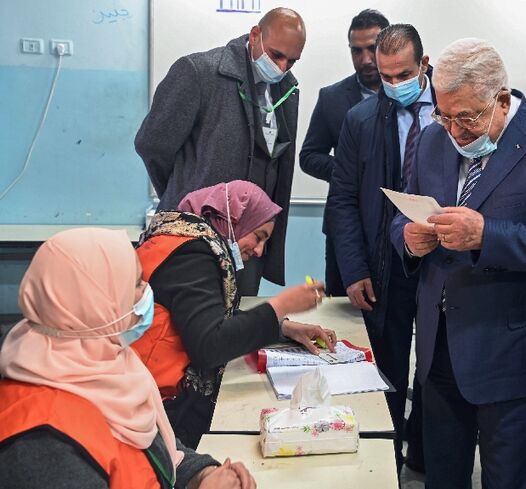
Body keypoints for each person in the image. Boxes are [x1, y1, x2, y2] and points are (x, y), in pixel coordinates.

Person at [391, 38, 526, 489]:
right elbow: (400, 216)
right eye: (446, 116)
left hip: (517, 354)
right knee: (442, 477)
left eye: (468, 117)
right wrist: (407, 239)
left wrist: (486, 236)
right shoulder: (430, 140)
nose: (457, 132)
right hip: (440, 347)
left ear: (502, 98)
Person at [0, 228, 256, 488]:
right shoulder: (43, 445)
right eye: (135, 283)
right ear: (94, 300)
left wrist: (203, 474)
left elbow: (152, 449)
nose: (147, 290)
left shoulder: (106, 364)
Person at [133, 180, 332, 448]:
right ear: (232, 218)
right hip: (159, 408)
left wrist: (283, 327)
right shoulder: (193, 253)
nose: (259, 251)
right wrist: (281, 304)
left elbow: (202, 316)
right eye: (259, 237)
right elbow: (209, 344)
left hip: (146, 391)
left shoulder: (178, 238)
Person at [135, 8, 306, 295]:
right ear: (255, 36)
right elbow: (151, 145)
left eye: (292, 61)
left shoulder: (287, 90)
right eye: (276, 56)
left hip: (249, 249)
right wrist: (186, 194)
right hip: (193, 241)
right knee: (189, 330)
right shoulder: (198, 72)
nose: (282, 67)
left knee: (240, 329)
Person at [326, 24, 433, 473]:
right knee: (385, 369)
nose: (394, 85)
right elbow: (344, 198)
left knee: (434, 369)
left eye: (403, 75)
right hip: (383, 265)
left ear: (424, 66)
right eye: (386, 77)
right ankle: (383, 459)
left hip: (441, 265)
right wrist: (353, 269)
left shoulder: (453, 108)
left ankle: (425, 454)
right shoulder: (362, 119)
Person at [299, 9, 390, 298]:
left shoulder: (415, 94)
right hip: (346, 225)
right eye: (356, 51)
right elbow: (309, 156)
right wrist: (350, 170)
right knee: (343, 311)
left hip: (397, 227)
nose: (365, 59)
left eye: (372, 49)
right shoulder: (332, 98)